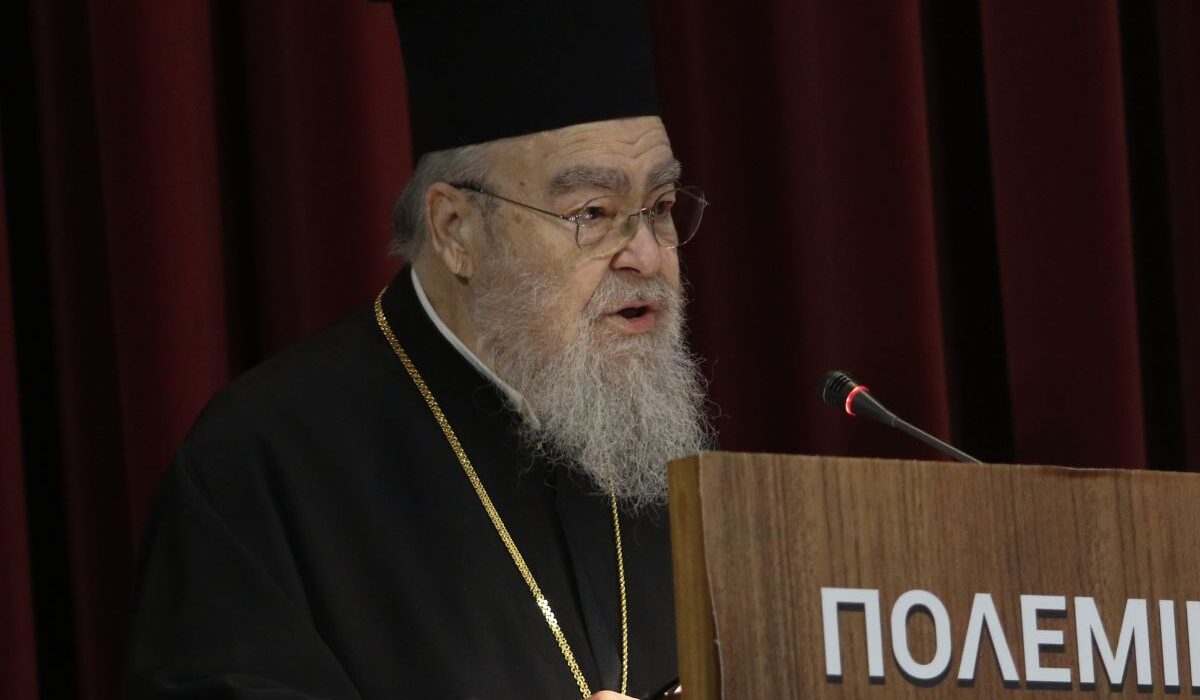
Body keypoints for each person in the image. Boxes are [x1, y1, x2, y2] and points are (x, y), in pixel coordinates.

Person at [124, 1, 711, 698]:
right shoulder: (265, 464)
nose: (647, 255)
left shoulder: (650, 448)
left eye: (661, 207)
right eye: (593, 213)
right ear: (455, 229)